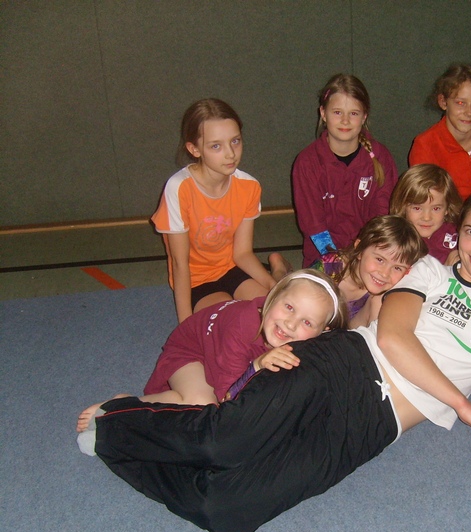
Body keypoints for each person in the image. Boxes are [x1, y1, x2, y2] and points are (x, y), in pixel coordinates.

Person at [76, 189, 471, 532]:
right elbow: (393, 337)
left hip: (376, 424)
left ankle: (118, 446)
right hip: (346, 363)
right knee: (226, 438)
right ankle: (118, 419)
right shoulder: (428, 270)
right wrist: (463, 405)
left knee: (228, 513)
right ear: (458, 233)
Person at [76, 270, 348, 432]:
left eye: (307, 322)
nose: (290, 324)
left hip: (220, 351)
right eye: (289, 307)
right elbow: (229, 398)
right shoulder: (241, 326)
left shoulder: (306, 340)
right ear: (273, 297)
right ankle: (125, 406)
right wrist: (257, 365)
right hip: (191, 352)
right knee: (203, 406)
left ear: (321, 332)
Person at [152, 98, 292, 323]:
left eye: (235, 141)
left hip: (233, 268)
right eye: (216, 146)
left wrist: (272, 286)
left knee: (277, 314)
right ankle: (276, 269)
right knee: (234, 322)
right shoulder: (179, 189)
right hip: (198, 280)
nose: (230, 154)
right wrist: (185, 324)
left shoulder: (249, 186)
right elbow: (180, 264)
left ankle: (277, 271)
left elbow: (242, 253)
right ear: (194, 149)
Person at [292, 74, 398, 267]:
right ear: (323, 113)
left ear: (364, 116)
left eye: (354, 113)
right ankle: (280, 267)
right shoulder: (307, 163)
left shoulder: (380, 157)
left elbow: (383, 216)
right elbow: (313, 225)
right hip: (324, 255)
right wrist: (338, 262)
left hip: (369, 252)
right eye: (337, 112)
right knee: (331, 287)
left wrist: (363, 256)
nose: (345, 121)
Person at [408, 63, 471, 201]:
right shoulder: (425, 145)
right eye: (460, 103)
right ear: (443, 102)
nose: (469, 112)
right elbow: (427, 202)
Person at [311, 215, 427, 327]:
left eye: (397, 268)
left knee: (381, 300)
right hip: (311, 327)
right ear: (360, 249)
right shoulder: (329, 267)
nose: (384, 273)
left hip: (346, 334)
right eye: (380, 260)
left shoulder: (384, 290)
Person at [389, 164, 461, 264]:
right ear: (403, 206)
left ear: (447, 208)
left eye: (436, 209)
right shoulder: (399, 240)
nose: (426, 218)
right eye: (417, 208)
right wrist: (446, 268)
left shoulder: (459, 233)